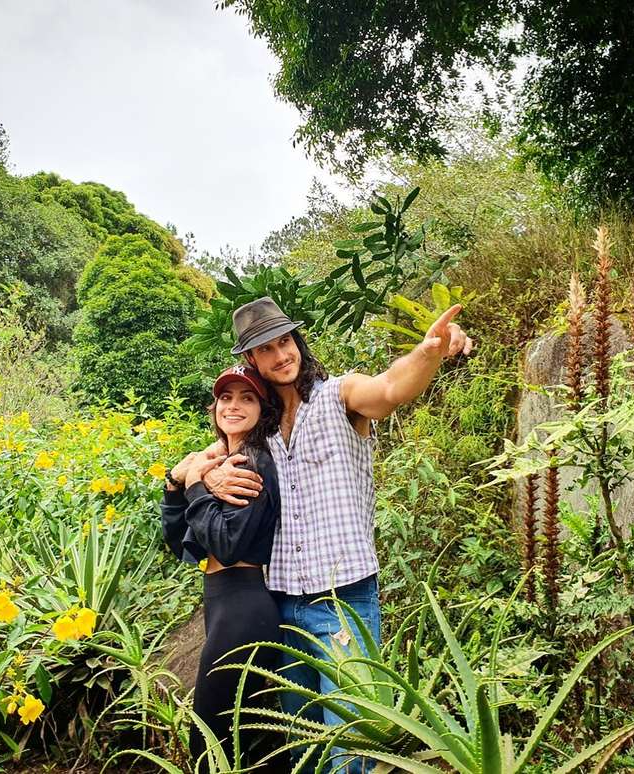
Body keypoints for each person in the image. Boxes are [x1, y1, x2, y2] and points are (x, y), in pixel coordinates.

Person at [201, 297, 473, 773]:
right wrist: (206, 476)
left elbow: (390, 387)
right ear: (252, 361)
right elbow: (198, 459)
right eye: (267, 349)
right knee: (305, 746)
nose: (281, 355)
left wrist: (428, 352)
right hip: (282, 603)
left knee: (353, 749)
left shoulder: (340, 396)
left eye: (286, 341)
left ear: (298, 342)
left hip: (344, 600)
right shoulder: (258, 428)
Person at [160, 364, 283, 772]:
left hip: (245, 606)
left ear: (263, 408)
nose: (233, 405)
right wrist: (176, 485)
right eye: (225, 397)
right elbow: (182, 543)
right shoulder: (219, 463)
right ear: (214, 407)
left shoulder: (253, 461)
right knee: (229, 737)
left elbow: (228, 546)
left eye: (247, 397)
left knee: (208, 739)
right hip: (223, 603)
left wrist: (197, 485)